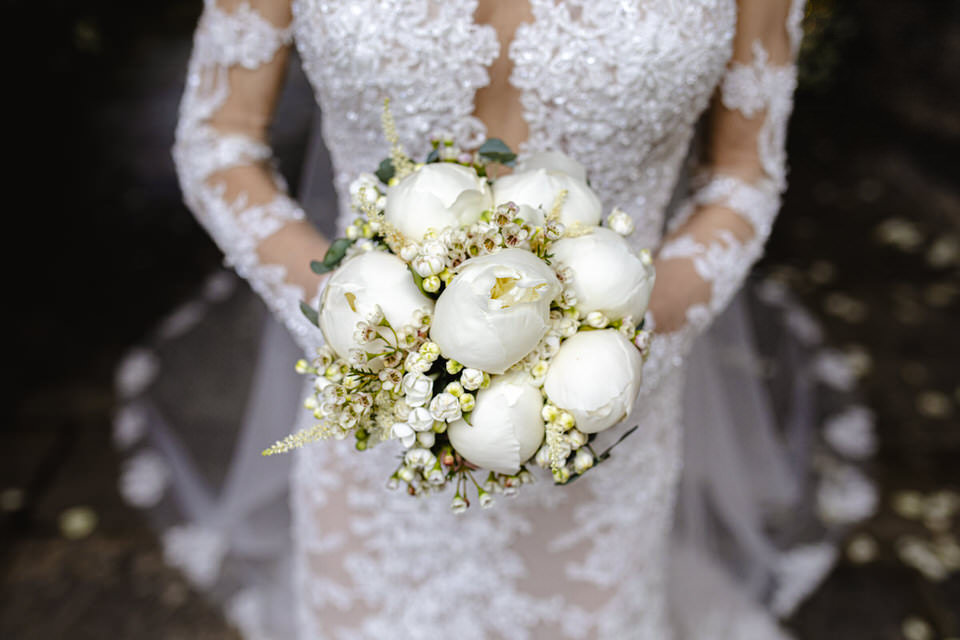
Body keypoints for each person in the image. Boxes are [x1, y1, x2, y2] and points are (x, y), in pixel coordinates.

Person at [120, 0, 874, 637]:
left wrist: (635, 344)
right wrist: (358, 329)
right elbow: (220, 144)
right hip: (373, 430)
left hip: (605, 416)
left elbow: (742, 176)